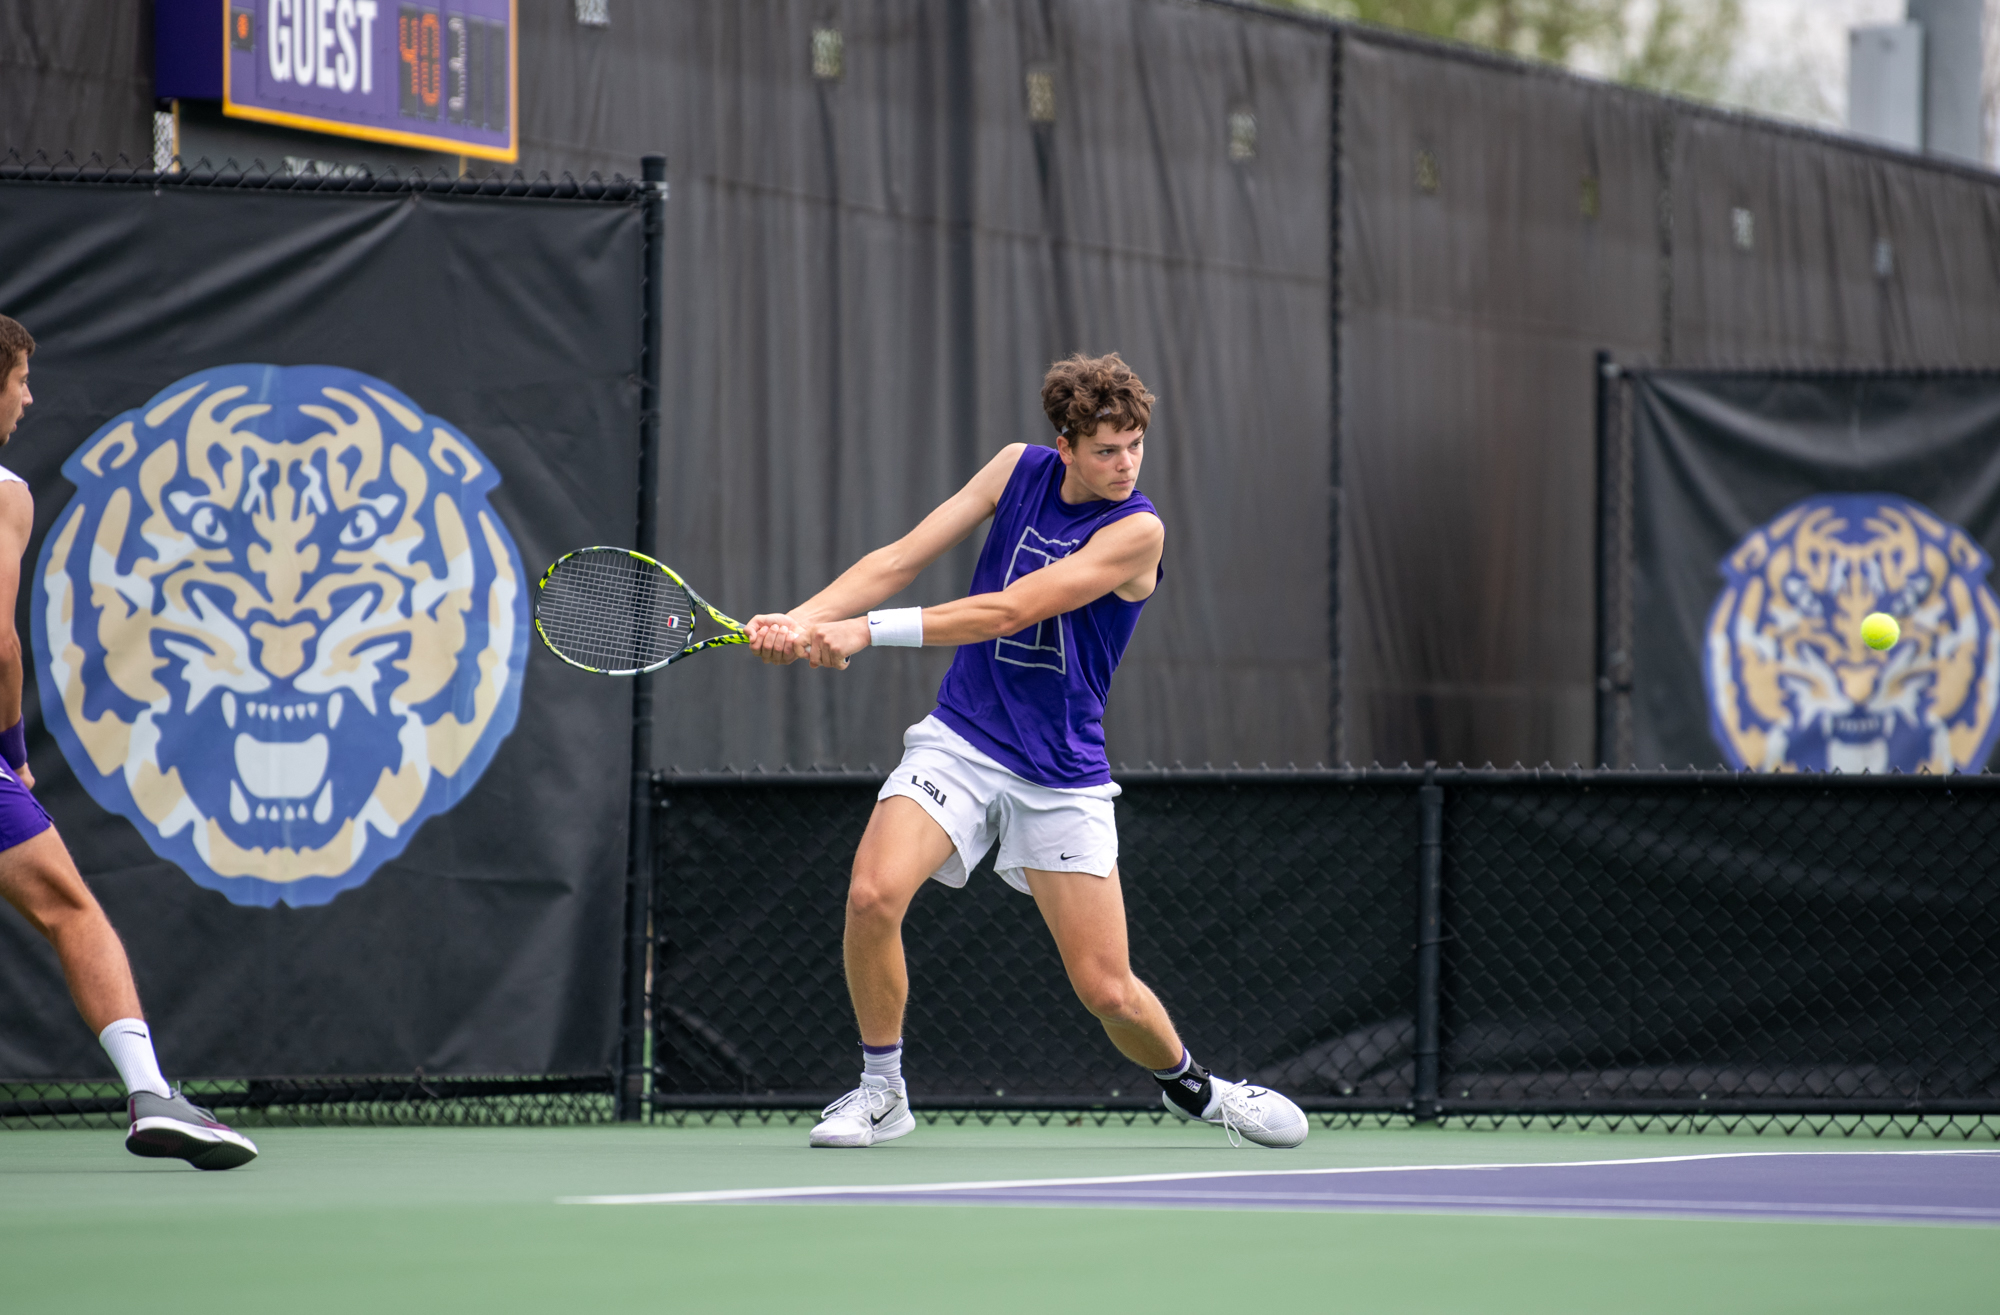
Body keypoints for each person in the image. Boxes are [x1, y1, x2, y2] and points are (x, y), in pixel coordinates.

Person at [747, 353, 1307, 1150]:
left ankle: (1196, 1088)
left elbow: (1009, 609)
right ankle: (882, 1091)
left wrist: (863, 630)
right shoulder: (1017, 470)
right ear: (1067, 444)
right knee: (872, 895)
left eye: (1135, 445)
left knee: (1107, 989)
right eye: (1107, 449)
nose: (1125, 465)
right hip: (963, 738)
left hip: (1060, 773)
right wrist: (798, 622)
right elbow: (900, 558)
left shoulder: (1137, 530)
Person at [0, 315, 257, 1170]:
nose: (29, 396)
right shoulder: (4, 494)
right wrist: (11, 748)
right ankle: (150, 1093)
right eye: (20, 379)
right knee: (70, 907)